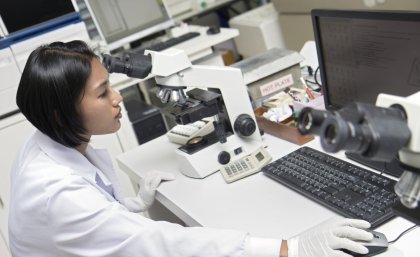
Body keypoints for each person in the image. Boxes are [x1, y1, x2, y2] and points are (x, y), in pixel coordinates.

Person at [9, 40, 373, 257]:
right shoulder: (57, 194)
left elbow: (94, 228)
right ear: (60, 112)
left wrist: (132, 205)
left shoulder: (42, 141)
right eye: (103, 93)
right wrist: (289, 248)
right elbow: (161, 243)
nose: (118, 97)